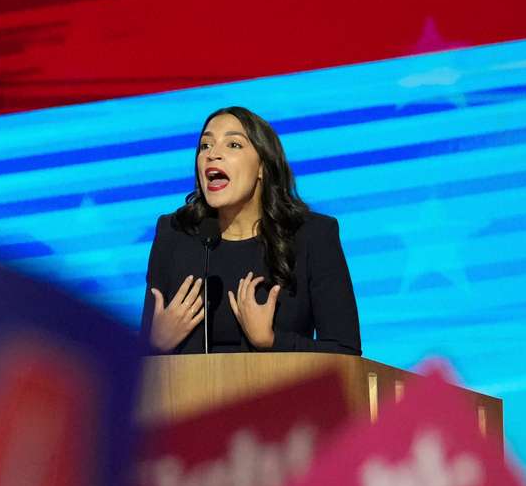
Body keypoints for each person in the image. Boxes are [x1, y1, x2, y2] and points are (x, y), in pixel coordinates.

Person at [141, 106, 361, 355]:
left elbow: (345, 351)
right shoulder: (175, 233)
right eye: (205, 145)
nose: (213, 154)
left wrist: (272, 341)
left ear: (262, 168)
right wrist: (156, 343)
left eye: (233, 145)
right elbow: (133, 369)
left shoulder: (313, 235)